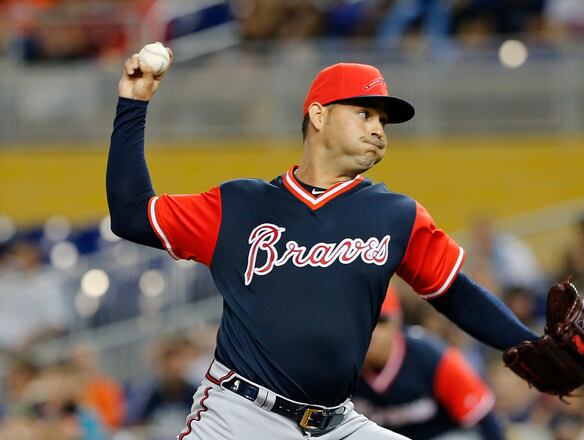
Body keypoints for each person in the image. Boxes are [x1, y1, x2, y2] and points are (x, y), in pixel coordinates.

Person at [107, 48, 541, 439]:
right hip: (240, 416)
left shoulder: (396, 214)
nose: (379, 130)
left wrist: (530, 345)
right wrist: (133, 103)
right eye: (364, 113)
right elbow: (131, 215)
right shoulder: (239, 205)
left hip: (336, 422)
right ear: (318, 115)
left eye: (383, 121)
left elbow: (455, 292)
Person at [354, 287, 503, 440]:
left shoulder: (433, 357)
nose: (373, 332)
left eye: (381, 321)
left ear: (397, 321)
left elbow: (485, 419)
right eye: (363, 323)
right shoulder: (338, 365)